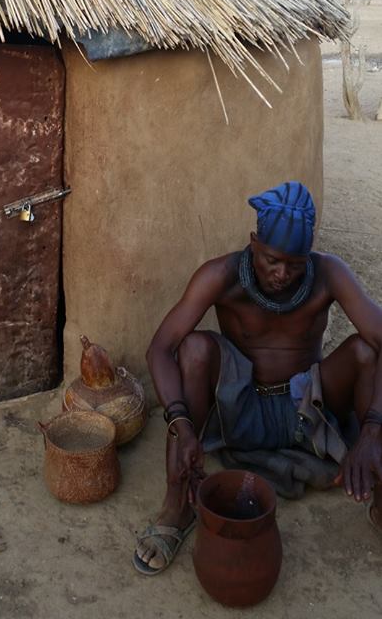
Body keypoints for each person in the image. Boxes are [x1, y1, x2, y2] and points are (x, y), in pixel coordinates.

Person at [133, 181, 382, 575]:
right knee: (195, 348)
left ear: (309, 256)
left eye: (295, 264)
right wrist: (181, 423)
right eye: (271, 260)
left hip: (308, 406)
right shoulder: (220, 274)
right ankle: (176, 506)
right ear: (253, 243)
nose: (282, 273)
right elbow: (161, 348)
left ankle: (380, 499)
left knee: (367, 351)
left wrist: (372, 430)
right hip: (242, 406)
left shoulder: (329, 272)